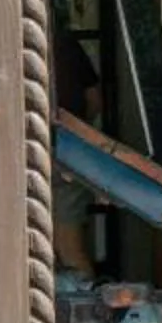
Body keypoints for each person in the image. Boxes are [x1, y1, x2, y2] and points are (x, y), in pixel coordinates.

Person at [53, 26, 103, 275]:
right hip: (70, 153)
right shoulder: (66, 43)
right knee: (70, 247)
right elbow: (94, 100)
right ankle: (87, 302)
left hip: (24, 157)